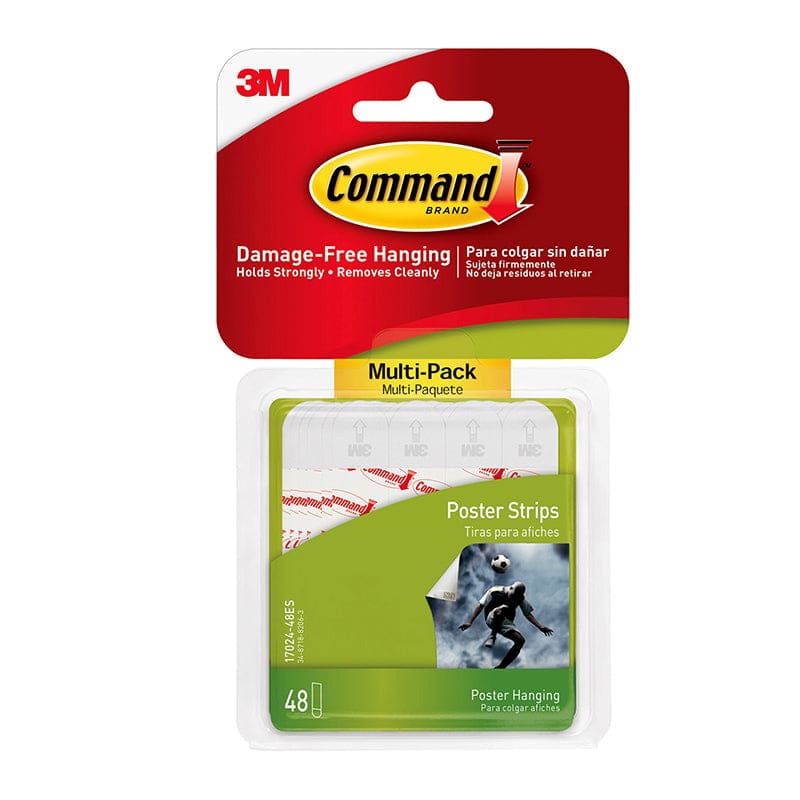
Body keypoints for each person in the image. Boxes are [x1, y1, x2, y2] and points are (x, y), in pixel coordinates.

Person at [458, 581, 553, 668]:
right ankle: (492, 636)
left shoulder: (521, 597)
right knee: (503, 609)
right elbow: (480, 605)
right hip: (491, 617)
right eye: (512, 596)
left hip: (506, 621)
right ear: (510, 588)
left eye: (516, 597)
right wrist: (470, 622)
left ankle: (501, 667)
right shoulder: (494, 591)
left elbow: (527, 613)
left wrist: (540, 627)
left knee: (520, 641)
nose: (513, 598)